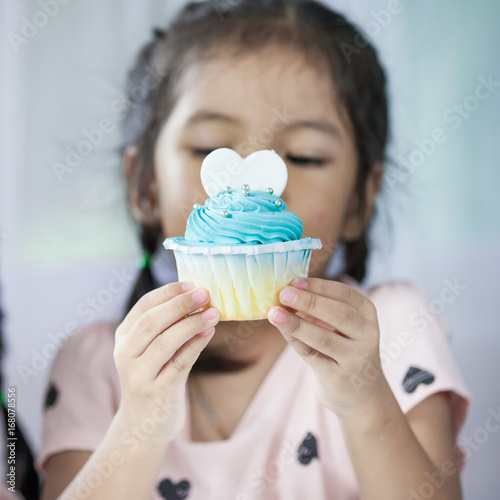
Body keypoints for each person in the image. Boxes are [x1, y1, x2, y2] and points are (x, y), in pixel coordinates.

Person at [36, 1, 470, 499]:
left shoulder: (393, 331)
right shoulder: (99, 365)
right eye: (207, 149)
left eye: (304, 156)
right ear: (146, 188)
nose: (250, 190)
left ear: (361, 200)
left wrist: (365, 400)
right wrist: (142, 422)